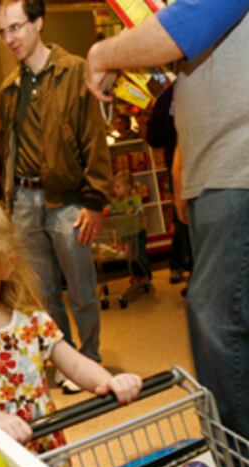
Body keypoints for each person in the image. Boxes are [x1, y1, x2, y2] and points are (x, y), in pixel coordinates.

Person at [85, 1, 249, 442]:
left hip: (237, 174)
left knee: (220, 320)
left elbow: (184, 26)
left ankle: (238, 458)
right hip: (218, 173)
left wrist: (103, 54)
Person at [0, 194, 142, 449]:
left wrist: (108, 381)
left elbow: (75, 364)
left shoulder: (33, 321)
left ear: (5, 265)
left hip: (43, 439)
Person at [0, 0, 113, 392]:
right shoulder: (8, 89)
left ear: (38, 22)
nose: (10, 38)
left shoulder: (76, 70)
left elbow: (94, 138)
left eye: (16, 27)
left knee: (80, 287)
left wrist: (95, 201)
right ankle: (68, 361)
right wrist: (8, 204)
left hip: (68, 201)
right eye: (3, 31)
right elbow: (5, 150)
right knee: (44, 293)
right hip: (25, 203)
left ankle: (90, 358)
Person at [145, 87, 191, 286]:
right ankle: (184, 267)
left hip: (180, 165)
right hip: (203, 163)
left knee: (182, 218)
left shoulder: (166, 97)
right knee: (188, 219)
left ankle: (183, 267)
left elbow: (155, 138)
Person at [108, 171, 151, 283]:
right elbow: (109, 209)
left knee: (140, 255)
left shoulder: (135, 199)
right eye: (114, 187)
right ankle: (136, 274)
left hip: (138, 232)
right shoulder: (115, 203)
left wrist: (134, 210)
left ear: (128, 187)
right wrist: (105, 211)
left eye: (118, 187)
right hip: (125, 234)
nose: (115, 190)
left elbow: (140, 209)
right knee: (130, 256)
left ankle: (146, 274)